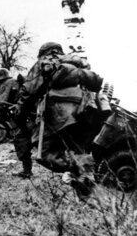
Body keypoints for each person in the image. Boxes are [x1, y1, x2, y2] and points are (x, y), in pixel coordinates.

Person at [17, 42, 104, 198]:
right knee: (77, 151)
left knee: (44, 154)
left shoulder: (45, 62)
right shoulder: (75, 63)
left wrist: (20, 115)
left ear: (44, 53)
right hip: (86, 113)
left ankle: (86, 168)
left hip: (60, 116)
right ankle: (86, 196)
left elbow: (29, 92)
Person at [0, 68, 33, 179]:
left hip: (21, 118)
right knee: (25, 141)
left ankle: (27, 172)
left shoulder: (6, 84)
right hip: (29, 116)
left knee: (21, 141)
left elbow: (0, 104)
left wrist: (0, 118)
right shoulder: (15, 82)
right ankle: (27, 170)